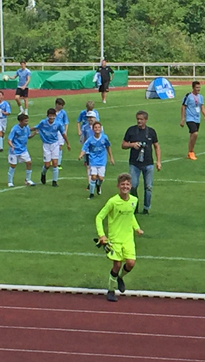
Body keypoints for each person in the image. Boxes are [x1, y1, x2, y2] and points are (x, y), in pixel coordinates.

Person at [95, 172, 144, 302]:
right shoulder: (113, 202)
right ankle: (111, 290)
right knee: (116, 265)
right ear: (118, 186)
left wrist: (137, 228)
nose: (125, 187)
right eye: (123, 184)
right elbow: (99, 217)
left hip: (128, 238)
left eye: (127, 184)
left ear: (131, 186)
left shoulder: (134, 200)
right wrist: (102, 235)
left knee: (131, 263)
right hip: (115, 239)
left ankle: (120, 278)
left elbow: (130, 215)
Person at [122, 110, 161, 214]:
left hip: (148, 163)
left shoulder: (151, 132)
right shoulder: (131, 130)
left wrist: (158, 161)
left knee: (148, 187)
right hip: (134, 164)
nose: (139, 121)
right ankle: (135, 205)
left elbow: (156, 146)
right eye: (138, 119)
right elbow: (123, 145)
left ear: (146, 120)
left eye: (141, 119)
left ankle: (146, 208)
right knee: (133, 185)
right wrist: (132, 145)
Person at [31, 108, 71, 187]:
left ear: (55, 116)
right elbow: (36, 127)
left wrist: (67, 143)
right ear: (47, 116)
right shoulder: (43, 123)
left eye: (53, 116)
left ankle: (54, 181)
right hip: (46, 145)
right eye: (50, 116)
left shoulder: (58, 124)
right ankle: (43, 173)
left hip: (55, 144)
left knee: (55, 163)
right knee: (47, 165)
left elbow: (63, 134)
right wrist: (26, 129)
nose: (51, 118)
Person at [78, 121, 115, 199]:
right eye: (95, 127)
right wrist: (81, 155)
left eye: (98, 127)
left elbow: (108, 147)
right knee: (93, 177)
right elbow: (84, 147)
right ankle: (91, 194)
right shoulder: (90, 139)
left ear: (101, 129)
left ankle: (98, 185)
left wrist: (111, 157)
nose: (97, 129)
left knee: (101, 178)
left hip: (102, 160)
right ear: (93, 129)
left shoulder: (104, 137)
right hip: (93, 160)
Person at [180, 81, 205, 160]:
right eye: (197, 88)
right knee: (195, 133)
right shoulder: (188, 96)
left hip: (197, 119)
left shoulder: (201, 97)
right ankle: (191, 152)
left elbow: (202, 106)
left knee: (192, 136)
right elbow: (183, 107)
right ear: (193, 88)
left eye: (199, 88)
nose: (198, 89)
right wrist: (183, 119)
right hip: (190, 118)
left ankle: (190, 152)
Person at [7, 114, 37, 187]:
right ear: (20, 121)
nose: (27, 122)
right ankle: (10, 181)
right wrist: (12, 146)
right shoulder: (15, 129)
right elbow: (9, 140)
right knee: (13, 165)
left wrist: (34, 133)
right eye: (25, 121)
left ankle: (28, 180)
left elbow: (28, 136)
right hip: (14, 151)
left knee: (29, 163)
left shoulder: (26, 128)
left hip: (23, 150)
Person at [54, 98, 69, 169]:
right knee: (53, 146)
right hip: (53, 131)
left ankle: (58, 163)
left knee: (60, 146)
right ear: (57, 104)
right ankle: (53, 160)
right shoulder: (52, 112)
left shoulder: (63, 113)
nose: (62, 107)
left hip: (60, 131)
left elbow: (66, 122)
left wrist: (65, 131)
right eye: (60, 105)